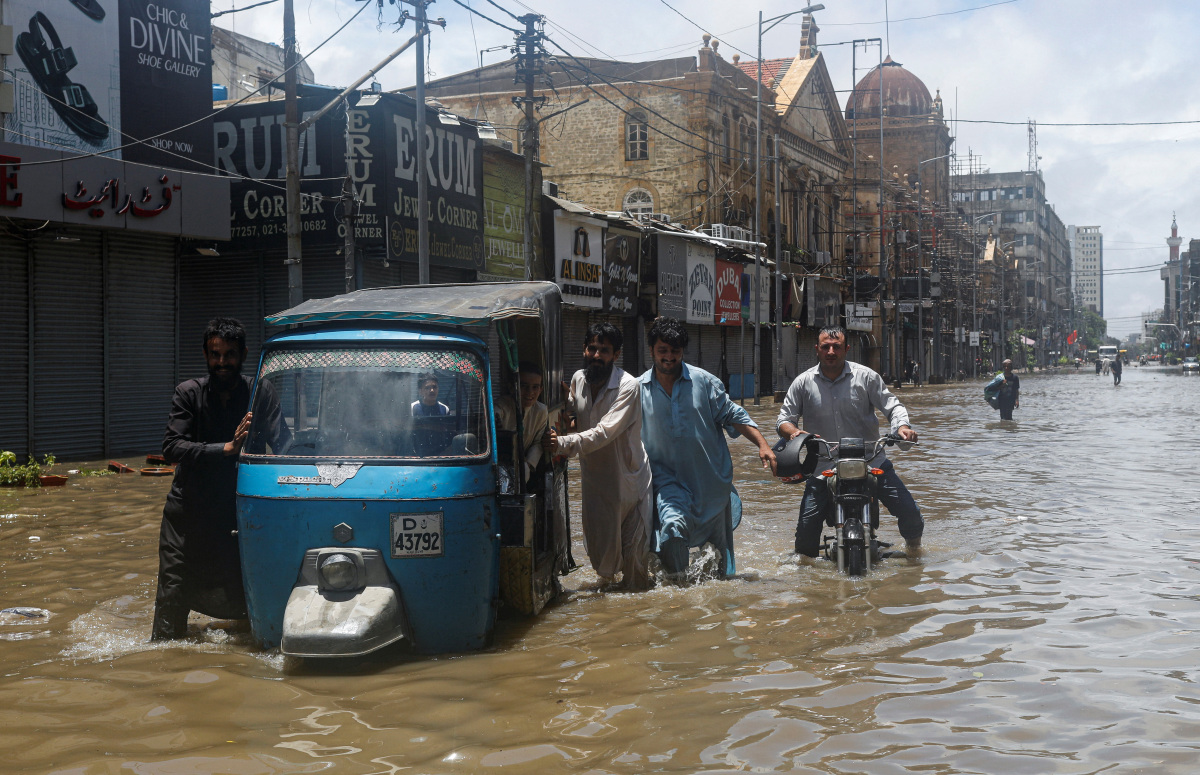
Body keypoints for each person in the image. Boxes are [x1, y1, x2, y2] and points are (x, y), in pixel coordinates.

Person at [153, 318, 286, 640]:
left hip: (237, 506)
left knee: (246, 584)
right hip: (188, 508)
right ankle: (164, 658)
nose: (222, 362)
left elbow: (283, 444)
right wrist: (225, 448)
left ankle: (248, 652)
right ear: (205, 355)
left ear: (243, 354)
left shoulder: (260, 393)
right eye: (216, 355)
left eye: (229, 354)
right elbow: (172, 447)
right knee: (173, 587)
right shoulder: (188, 393)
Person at [638, 317, 776, 583]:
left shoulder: (704, 382)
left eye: (675, 351)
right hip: (667, 482)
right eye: (662, 351)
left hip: (710, 482)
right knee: (672, 530)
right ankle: (678, 593)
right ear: (652, 350)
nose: (669, 357)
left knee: (719, 565)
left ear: (683, 352)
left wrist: (763, 445)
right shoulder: (637, 389)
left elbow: (733, 415)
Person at [777, 326, 923, 559]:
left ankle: (915, 551)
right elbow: (784, 419)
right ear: (817, 349)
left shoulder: (867, 377)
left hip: (870, 460)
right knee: (805, 534)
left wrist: (902, 428)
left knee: (911, 514)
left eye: (836, 347)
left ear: (847, 349)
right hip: (824, 466)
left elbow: (893, 406)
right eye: (826, 347)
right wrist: (794, 432)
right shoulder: (802, 382)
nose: (831, 351)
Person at [548, 323, 653, 590]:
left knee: (634, 573)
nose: (596, 355)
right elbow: (577, 414)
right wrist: (562, 406)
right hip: (596, 484)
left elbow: (604, 431)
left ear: (616, 354)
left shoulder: (629, 386)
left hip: (631, 484)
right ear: (584, 349)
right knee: (603, 567)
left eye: (604, 350)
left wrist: (560, 443)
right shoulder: (578, 380)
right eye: (592, 348)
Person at [494, 361, 549, 486]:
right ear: (512, 387)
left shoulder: (541, 411)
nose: (530, 392)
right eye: (524, 386)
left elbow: (538, 443)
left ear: (540, 390)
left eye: (535, 387)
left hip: (522, 465)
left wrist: (528, 464)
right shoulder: (502, 406)